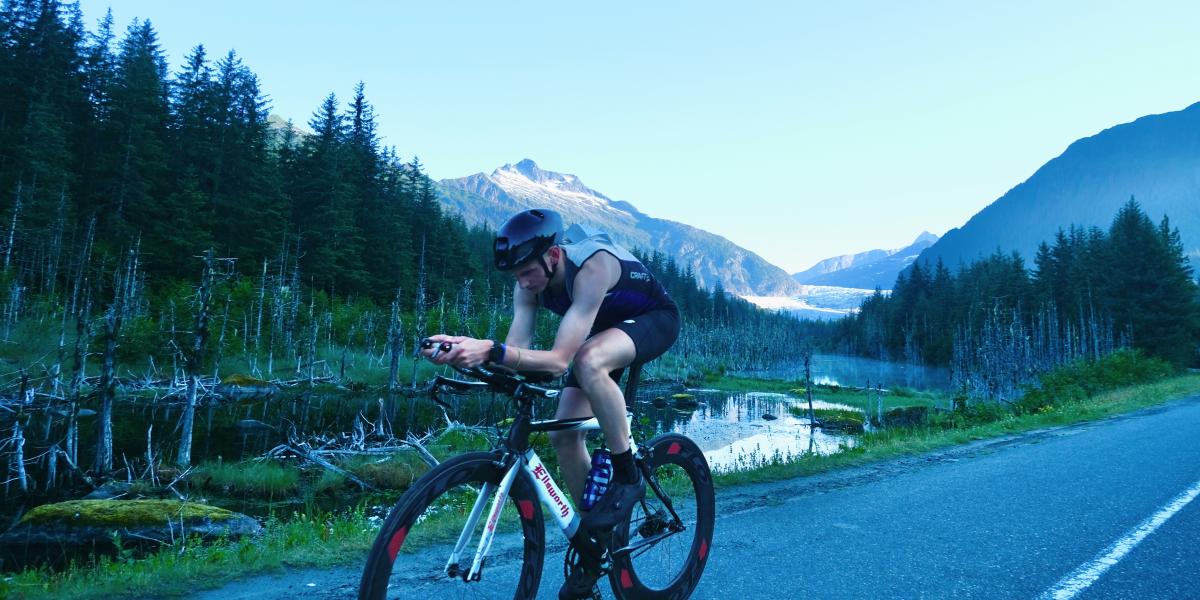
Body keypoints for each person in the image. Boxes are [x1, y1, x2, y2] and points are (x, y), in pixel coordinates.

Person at [421, 208, 680, 598]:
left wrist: (492, 351)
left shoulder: (592, 266)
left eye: (528, 272)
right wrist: (464, 350)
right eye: (516, 276)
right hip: (599, 331)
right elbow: (517, 351)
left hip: (653, 319)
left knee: (589, 359)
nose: (524, 283)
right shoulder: (526, 284)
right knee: (564, 435)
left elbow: (559, 361)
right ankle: (595, 544)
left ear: (554, 256)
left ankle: (628, 474)